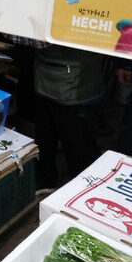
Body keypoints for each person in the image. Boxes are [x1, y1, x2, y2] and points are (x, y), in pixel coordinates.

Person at [33, 45, 106, 190]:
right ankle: (46, 182)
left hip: (76, 84)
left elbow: (38, 38)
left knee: (79, 148)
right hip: (48, 76)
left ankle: (84, 193)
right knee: (45, 137)